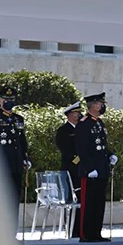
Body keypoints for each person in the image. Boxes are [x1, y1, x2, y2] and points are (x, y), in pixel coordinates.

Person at [75, 92, 117, 242]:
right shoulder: (84, 123)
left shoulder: (99, 122)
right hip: (90, 171)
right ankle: (86, 234)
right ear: (92, 105)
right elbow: (81, 148)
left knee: (99, 203)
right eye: (99, 103)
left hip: (101, 168)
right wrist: (89, 168)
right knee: (89, 204)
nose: (102, 106)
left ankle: (96, 232)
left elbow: (101, 145)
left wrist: (110, 154)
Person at [0, 87, 31, 222]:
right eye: (6, 99)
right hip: (1, 167)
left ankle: (12, 234)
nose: (9, 102)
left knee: (13, 200)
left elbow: (22, 142)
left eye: (11, 99)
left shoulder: (19, 119)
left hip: (16, 166)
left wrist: (25, 158)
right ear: (0, 101)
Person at [55, 101, 82, 238]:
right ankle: (71, 229)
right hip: (70, 170)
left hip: (82, 170)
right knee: (71, 200)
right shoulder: (64, 131)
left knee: (82, 201)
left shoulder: (81, 129)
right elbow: (67, 151)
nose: (79, 115)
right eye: (76, 113)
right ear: (70, 115)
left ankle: (80, 228)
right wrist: (79, 160)